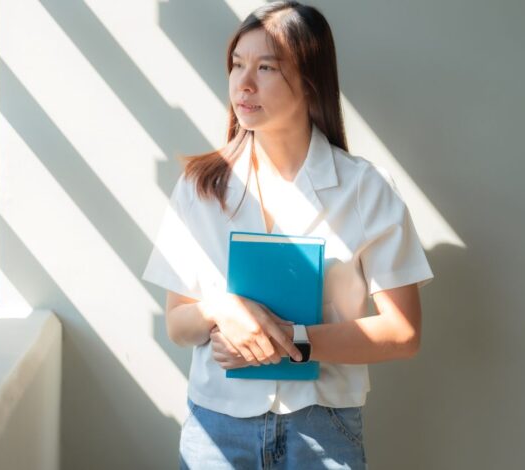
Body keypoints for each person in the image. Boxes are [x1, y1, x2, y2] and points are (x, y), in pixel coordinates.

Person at [141, 2, 434, 469]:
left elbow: (403, 332)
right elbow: (177, 324)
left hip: (322, 430)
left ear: (310, 80)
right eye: (237, 65)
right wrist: (221, 309)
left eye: (266, 68)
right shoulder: (199, 185)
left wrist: (291, 340)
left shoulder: (365, 188)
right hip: (216, 428)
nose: (244, 83)